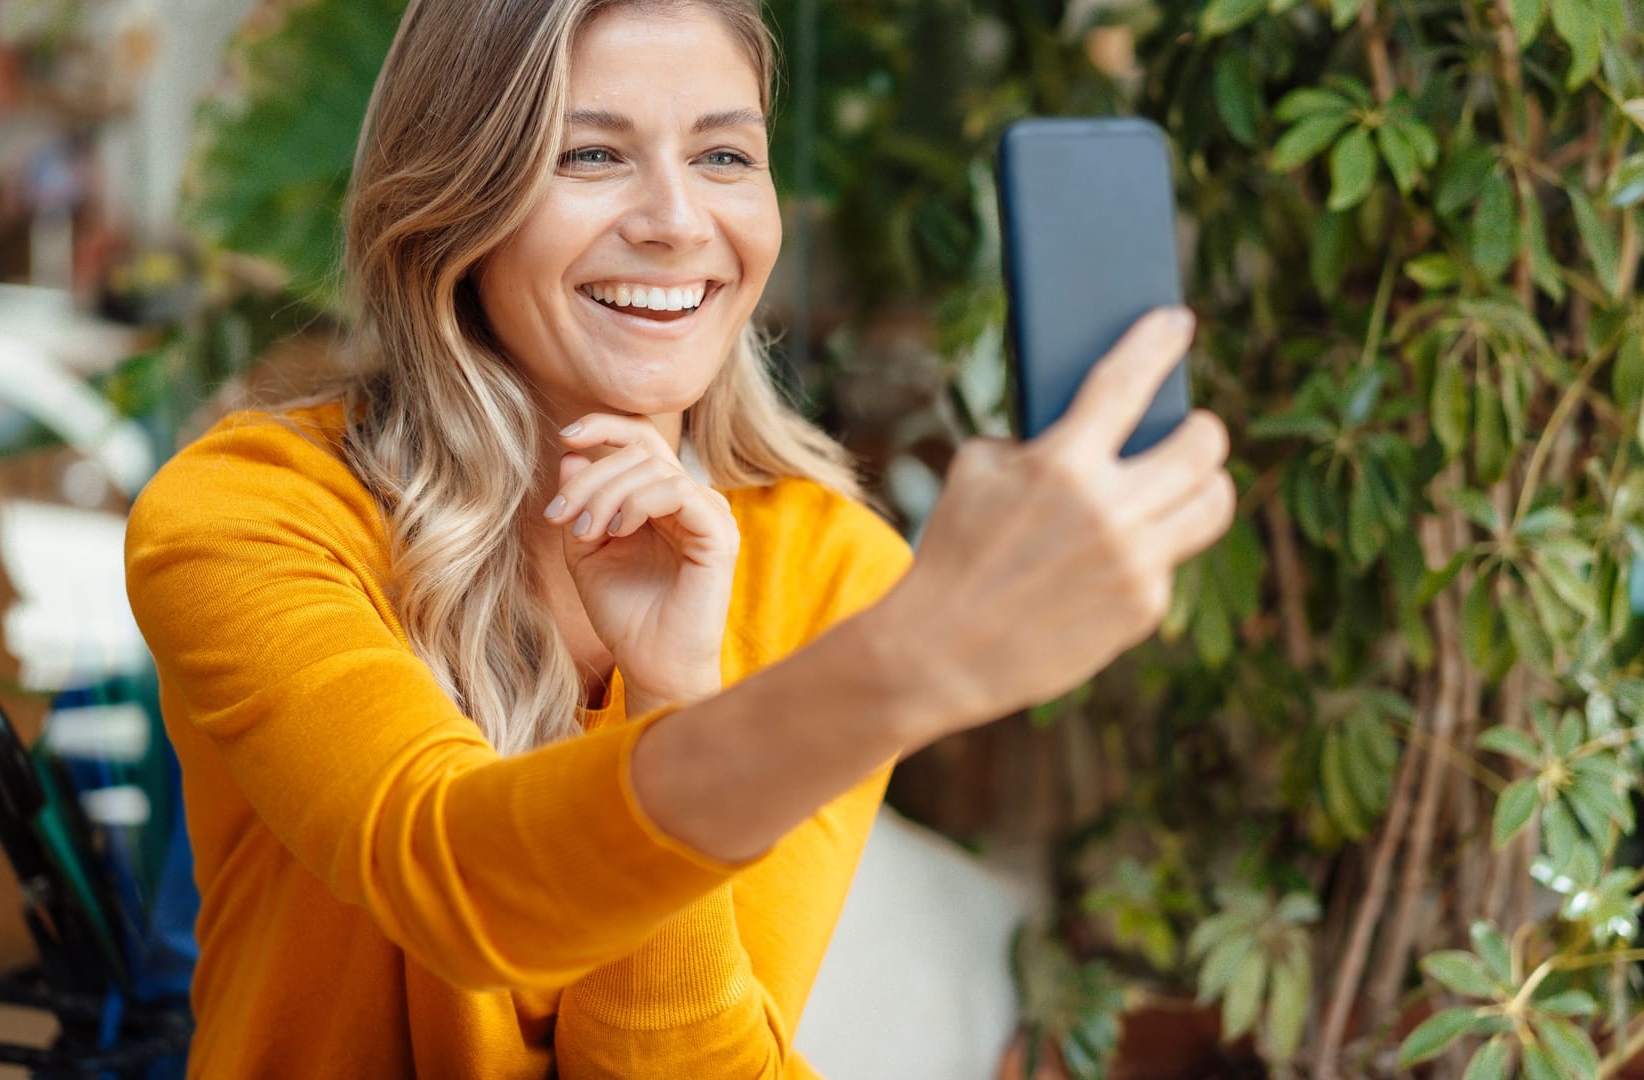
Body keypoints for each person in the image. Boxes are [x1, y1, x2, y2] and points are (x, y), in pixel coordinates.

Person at [121, 0, 1236, 1075]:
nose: (675, 221)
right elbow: (454, 878)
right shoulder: (253, 514)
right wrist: (911, 665)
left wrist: (670, 695)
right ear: (456, 201)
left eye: (724, 157)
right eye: (591, 155)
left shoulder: (826, 567)